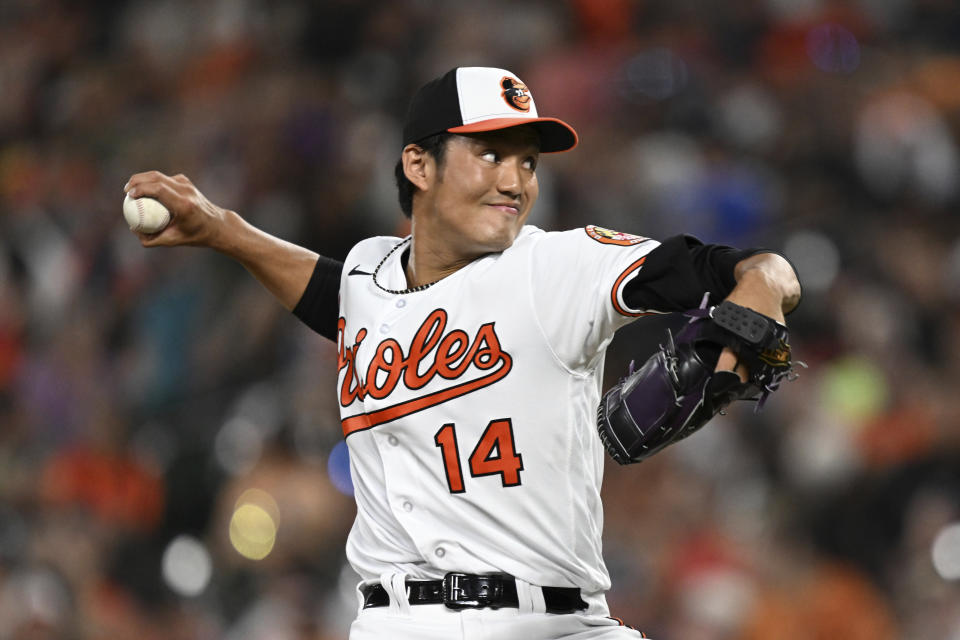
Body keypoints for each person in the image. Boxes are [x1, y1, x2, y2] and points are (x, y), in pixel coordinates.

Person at [124, 66, 801, 639]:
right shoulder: (368, 273)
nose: (515, 181)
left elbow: (728, 268)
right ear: (418, 164)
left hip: (554, 624)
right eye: (490, 154)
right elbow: (334, 293)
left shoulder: (557, 265)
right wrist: (225, 232)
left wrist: (765, 279)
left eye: (527, 162)